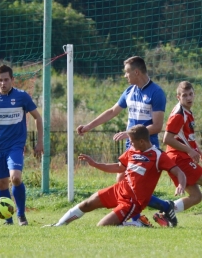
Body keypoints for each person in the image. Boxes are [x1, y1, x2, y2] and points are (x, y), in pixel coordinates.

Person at [77, 56, 177, 226]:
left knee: (134, 189)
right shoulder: (130, 91)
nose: (125, 76)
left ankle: (160, 209)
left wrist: (131, 133)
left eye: (127, 72)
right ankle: (144, 216)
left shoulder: (156, 92)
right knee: (122, 185)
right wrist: (89, 126)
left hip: (146, 148)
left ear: (136, 72)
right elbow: (112, 111)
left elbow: (158, 125)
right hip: (131, 146)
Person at [43, 125, 186, 227]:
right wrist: (95, 164)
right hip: (119, 189)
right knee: (87, 204)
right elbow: (118, 167)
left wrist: (180, 184)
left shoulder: (158, 156)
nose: (130, 144)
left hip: (132, 202)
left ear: (142, 141)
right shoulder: (132, 151)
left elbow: (179, 172)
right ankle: (58, 225)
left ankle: (138, 224)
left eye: (132, 141)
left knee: (102, 227)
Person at [0, 65, 44, 226]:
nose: (3, 83)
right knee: (2, 183)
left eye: (6, 79)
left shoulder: (22, 97)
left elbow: (38, 118)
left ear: (12, 80)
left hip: (15, 146)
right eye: (0, 80)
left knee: (15, 178)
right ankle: (8, 219)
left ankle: (21, 215)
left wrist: (39, 142)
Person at [153, 81, 202, 227]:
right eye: (184, 95)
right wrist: (189, 151)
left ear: (194, 94)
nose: (188, 98)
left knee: (196, 196)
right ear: (178, 97)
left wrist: (196, 151)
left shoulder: (187, 112)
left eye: (191, 94)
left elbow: (187, 138)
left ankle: (165, 213)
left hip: (183, 157)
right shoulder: (179, 115)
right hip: (179, 159)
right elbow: (167, 139)